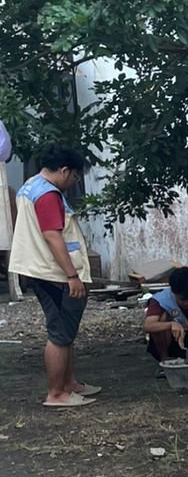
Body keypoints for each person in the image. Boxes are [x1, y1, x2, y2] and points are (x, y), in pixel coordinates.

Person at [8, 144, 99, 408]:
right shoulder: (48, 195)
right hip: (54, 273)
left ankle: (69, 384)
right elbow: (52, 235)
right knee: (59, 333)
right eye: (74, 177)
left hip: (41, 268)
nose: (73, 182)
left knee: (65, 331)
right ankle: (57, 393)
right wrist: (72, 276)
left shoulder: (30, 185)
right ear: (63, 170)